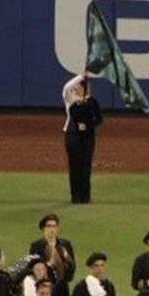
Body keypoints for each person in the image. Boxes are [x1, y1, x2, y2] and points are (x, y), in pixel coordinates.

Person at [62, 72, 102, 204]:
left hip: (87, 136)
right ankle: (76, 197)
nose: (76, 88)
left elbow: (99, 119)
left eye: (79, 86)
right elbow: (67, 87)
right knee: (75, 166)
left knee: (85, 166)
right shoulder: (70, 99)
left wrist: (89, 126)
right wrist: (81, 76)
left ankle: (85, 197)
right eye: (76, 86)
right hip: (72, 134)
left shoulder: (91, 101)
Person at [29, 215, 76, 296]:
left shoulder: (65, 244)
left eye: (54, 226)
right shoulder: (36, 246)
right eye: (49, 226)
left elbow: (72, 265)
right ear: (43, 229)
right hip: (45, 288)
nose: (52, 229)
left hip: (62, 287)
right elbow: (32, 267)